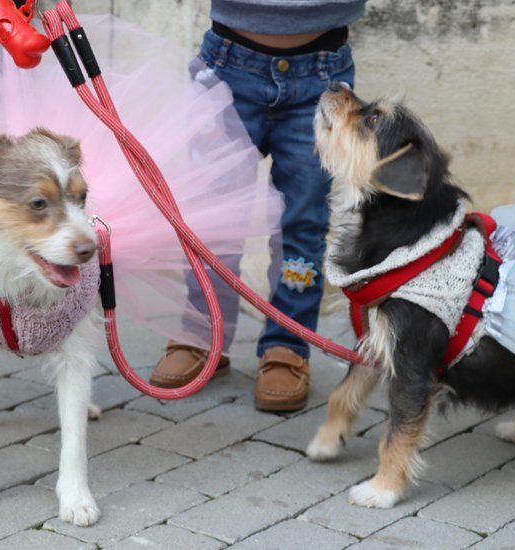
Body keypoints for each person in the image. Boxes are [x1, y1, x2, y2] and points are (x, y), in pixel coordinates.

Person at [149, 0, 364, 411]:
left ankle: (288, 343)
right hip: (227, 67)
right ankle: (202, 333)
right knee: (213, 216)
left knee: (304, 221)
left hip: (322, 74)